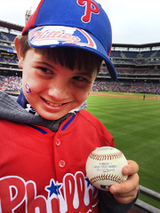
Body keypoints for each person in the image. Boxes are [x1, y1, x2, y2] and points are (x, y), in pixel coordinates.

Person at [0, 0, 139, 212]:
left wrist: (120, 198)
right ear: (20, 52)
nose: (57, 93)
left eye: (79, 79)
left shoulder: (98, 134)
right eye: (45, 70)